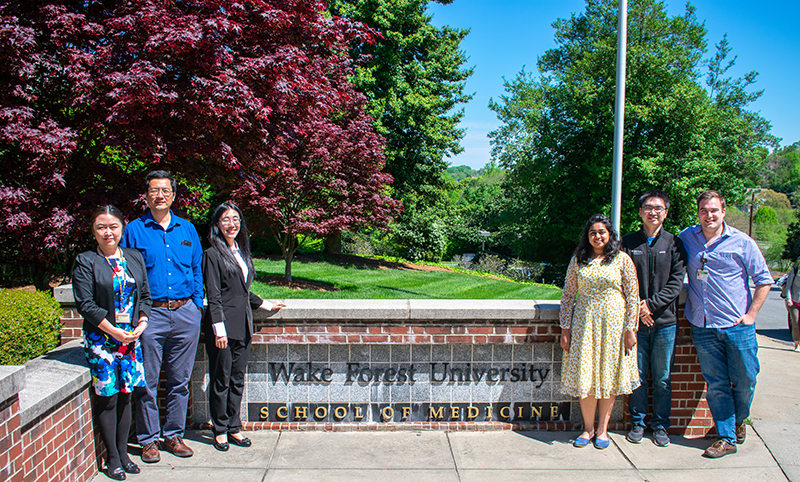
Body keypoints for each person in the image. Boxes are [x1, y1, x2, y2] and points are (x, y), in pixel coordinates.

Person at [679, 190, 772, 458]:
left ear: (724, 212)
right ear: (698, 213)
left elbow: (764, 280)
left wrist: (751, 315)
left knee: (746, 379)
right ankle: (727, 437)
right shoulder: (688, 238)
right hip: (703, 325)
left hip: (737, 325)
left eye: (714, 210)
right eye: (703, 211)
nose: (709, 215)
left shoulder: (742, 243)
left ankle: (739, 420)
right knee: (717, 384)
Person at [121, 171, 204, 462]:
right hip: (150, 315)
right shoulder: (134, 230)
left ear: (173, 195)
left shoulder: (187, 230)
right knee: (148, 381)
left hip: (185, 314)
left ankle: (174, 435)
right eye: (154, 190)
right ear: (146, 196)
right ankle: (148, 440)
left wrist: (197, 306)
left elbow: (196, 269)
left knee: (180, 380)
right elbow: (128, 273)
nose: (160, 195)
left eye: (165, 190)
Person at [73, 205, 151, 480]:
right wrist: (113, 331)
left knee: (127, 396)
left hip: (130, 339)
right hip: (102, 341)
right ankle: (112, 458)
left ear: (122, 228)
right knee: (108, 398)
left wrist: (141, 325)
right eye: (101, 227)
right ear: (94, 231)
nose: (108, 232)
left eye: (113, 226)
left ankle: (124, 453)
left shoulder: (133, 257)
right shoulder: (86, 261)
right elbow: (86, 305)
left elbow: (145, 296)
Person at [203, 203, 285, 451]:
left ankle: (233, 427)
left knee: (237, 379)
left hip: (244, 325)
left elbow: (243, 291)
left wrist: (266, 305)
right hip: (223, 328)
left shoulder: (243, 252)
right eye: (226, 219)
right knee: (221, 380)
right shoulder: (212, 254)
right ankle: (219, 430)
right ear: (217, 224)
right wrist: (219, 331)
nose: (232, 224)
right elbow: (214, 296)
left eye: (236, 219)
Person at [559, 214, 639, 450]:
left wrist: (630, 329)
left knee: (608, 377)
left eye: (602, 232)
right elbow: (568, 295)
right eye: (593, 232)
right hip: (584, 326)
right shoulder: (578, 260)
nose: (597, 236)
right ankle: (588, 428)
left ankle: (603, 431)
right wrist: (566, 328)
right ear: (587, 236)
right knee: (587, 376)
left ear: (610, 235)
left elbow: (633, 297)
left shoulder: (622, 260)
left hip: (614, 327)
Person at [621, 190, 686, 447]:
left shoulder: (674, 243)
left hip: (665, 323)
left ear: (665, 213)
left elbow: (676, 283)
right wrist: (637, 308)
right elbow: (622, 280)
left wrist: (650, 306)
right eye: (648, 207)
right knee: (636, 375)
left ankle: (660, 426)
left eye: (658, 208)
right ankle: (638, 423)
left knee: (661, 377)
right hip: (635, 324)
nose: (653, 212)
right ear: (640, 212)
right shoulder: (627, 243)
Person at [780, 260, 800, 351]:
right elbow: (788, 286)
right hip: (794, 301)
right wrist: (789, 298)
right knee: (796, 323)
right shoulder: (795, 271)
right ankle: (797, 344)